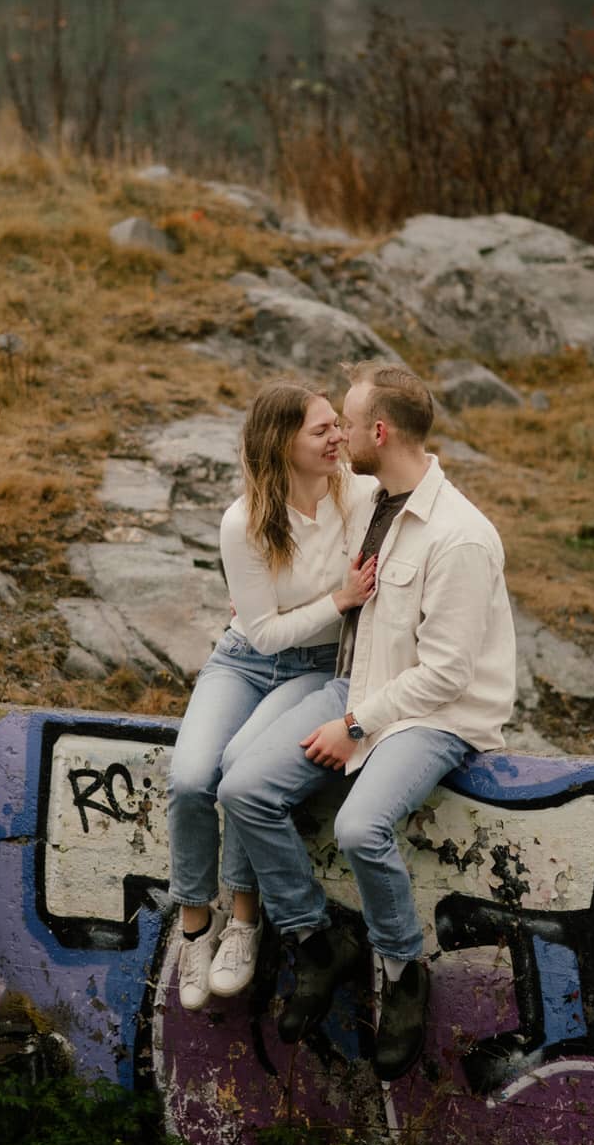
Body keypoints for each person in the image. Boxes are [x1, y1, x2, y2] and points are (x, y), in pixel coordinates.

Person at [218, 362, 516, 1078]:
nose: (337, 435)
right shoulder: (375, 499)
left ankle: (402, 968)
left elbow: (444, 677)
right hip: (363, 689)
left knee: (358, 827)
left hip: (435, 717)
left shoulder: (460, 537)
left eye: (346, 423)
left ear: (378, 432)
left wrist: (354, 725)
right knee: (241, 791)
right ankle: (317, 941)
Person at [169, 379, 378, 1012]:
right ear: (281, 444)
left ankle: (243, 919)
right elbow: (261, 632)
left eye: (336, 425)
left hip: (318, 668)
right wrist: (339, 601)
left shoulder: (362, 497)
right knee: (188, 777)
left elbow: (425, 484)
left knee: (240, 771)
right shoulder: (245, 521)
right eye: (322, 430)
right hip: (246, 661)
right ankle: (193, 927)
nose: (338, 437)